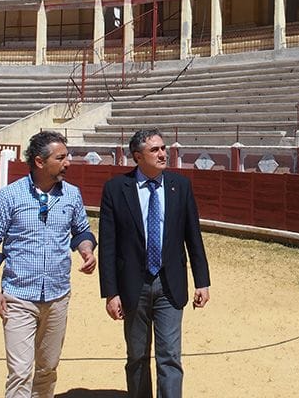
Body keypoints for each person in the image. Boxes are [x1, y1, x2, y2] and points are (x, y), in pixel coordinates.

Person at [0, 130, 96, 398]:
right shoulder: (9, 196)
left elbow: (82, 231)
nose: (68, 162)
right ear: (40, 162)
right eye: (61, 157)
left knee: (47, 368)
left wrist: (86, 251)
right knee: (20, 372)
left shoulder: (72, 195)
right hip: (18, 297)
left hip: (57, 296)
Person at [99, 128, 211, 398]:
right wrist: (111, 292)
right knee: (137, 356)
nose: (163, 154)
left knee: (170, 356)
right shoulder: (116, 189)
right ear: (138, 156)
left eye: (163, 148)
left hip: (169, 281)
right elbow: (108, 245)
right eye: (155, 150)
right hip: (132, 285)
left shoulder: (180, 186)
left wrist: (202, 281)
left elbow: (192, 236)